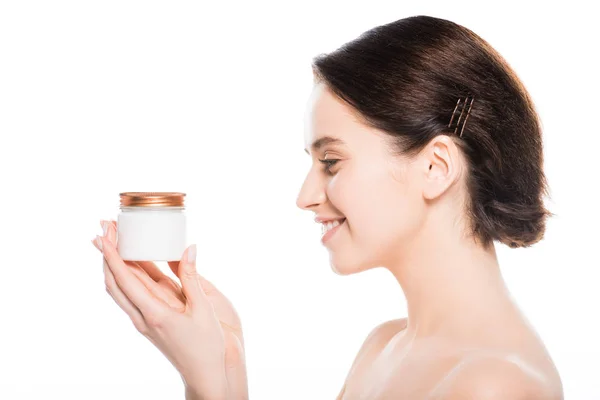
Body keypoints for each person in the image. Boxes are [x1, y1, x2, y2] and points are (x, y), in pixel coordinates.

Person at [92, 15, 564, 400]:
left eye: (332, 162)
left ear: (436, 166)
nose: (305, 197)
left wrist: (210, 385)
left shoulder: (496, 386)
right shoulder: (382, 349)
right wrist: (222, 365)